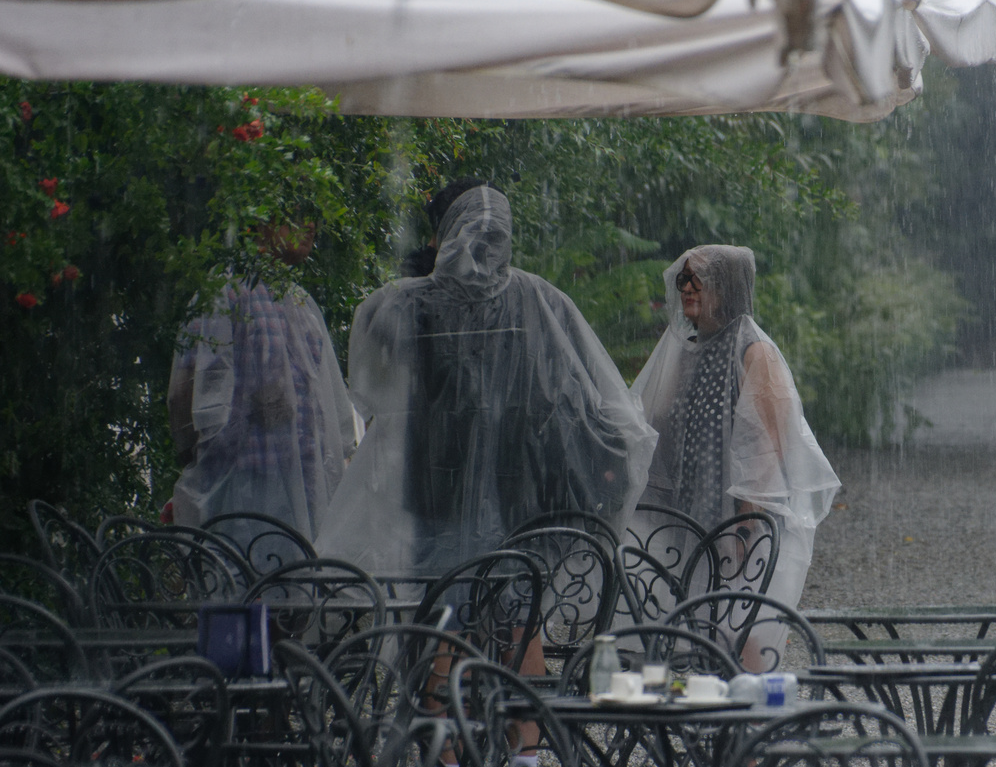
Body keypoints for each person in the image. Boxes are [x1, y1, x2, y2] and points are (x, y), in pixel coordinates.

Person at [317, 181, 656, 576]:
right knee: (515, 603)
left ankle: (453, 637)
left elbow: (369, 386)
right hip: (516, 491)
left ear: (442, 233)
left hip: (433, 484)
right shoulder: (539, 300)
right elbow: (585, 392)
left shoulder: (401, 302)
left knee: (442, 603)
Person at [631, 245, 840, 665]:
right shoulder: (687, 350)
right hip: (692, 512)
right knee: (695, 634)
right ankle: (706, 726)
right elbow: (656, 428)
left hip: (741, 520)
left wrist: (746, 526)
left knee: (742, 635)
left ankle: (747, 725)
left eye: (697, 279)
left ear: (724, 287)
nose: (686, 287)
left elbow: (768, 445)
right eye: (682, 279)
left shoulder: (753, 350)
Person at [167, 222, 357, 548]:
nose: (310, 224)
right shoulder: (224, 296)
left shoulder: (301, 304)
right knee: (247, 590)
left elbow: (327, 409)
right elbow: (189, 399)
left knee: (291, 591)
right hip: (242, 504)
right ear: (261, 221)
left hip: (305, 503)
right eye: (295, 213)